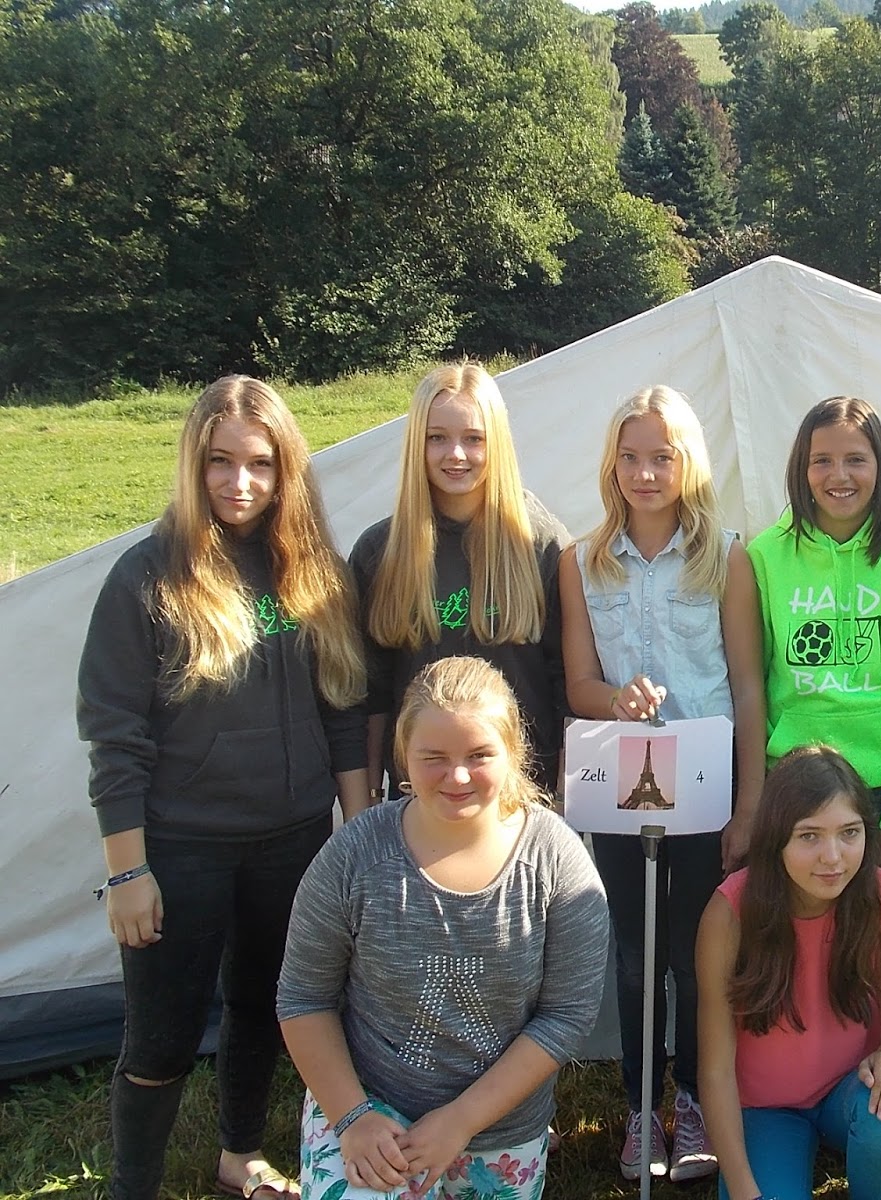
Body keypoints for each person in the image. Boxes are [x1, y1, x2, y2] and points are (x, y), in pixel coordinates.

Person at [77, 376, 369, 1200]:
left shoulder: (314, 572)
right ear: (193, 462)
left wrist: (356, 835)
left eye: (260, 464)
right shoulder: (146, 577)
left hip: (294, 839)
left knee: (265, 1007)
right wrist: (128, 871)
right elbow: (114, 735)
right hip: (182, 848)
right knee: (161, 1038)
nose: (240, 482)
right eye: (220, 461)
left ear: (285, 471)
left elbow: (344, 711)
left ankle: (240, 1154)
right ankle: (132, 1185)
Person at [278, 656, 609, 1200]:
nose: (457, 776)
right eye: (434, 757)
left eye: (479, 755)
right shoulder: (354, 855)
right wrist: (353, 1116)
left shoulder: (558, 862)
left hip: (499, 1128)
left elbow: (566, 1015)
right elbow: (303, 998)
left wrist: (461, 1120)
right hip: (370, 1113)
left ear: (513, 752)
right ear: (403, 755)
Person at [560, 385, 767, 1182]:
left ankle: (695, 1102)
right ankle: (641, 1107)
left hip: (707, 784)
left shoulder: (728, 555)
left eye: (662, 457)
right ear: (611, 464)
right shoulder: (581, 561)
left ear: (688, 464)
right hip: (622, 786)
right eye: (631, 457)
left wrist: (749, 804)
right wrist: (615, 699)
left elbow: (747, 686)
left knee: (694, 952)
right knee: (634, 954)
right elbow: (579, 683)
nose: (645, 473)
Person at [747, 396, 881, 881]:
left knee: (867, 921)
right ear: (801, 469)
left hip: (877, 793)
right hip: (789, 786)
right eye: (822, 460)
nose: (838, 475)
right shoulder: (764, 557)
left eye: (856, 460)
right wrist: (755, 794)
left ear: (880, 467)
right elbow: (750, 683)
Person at [696, 746, 881, 1200]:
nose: (833, 857)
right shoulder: (729, 914)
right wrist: (743, 1188)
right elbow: (716, 1071)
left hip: (852, 1089)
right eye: (809, 836)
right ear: (775, 839)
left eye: (849, 832)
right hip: (764, 1110)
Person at [350, 363, 568, 802]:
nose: (456, 454)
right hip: (419, 793)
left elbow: (565, 684)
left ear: (496, 443)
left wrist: (565, 794)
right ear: (417, 443)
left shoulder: (541, 542)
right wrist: (369, 794)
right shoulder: (380, 551)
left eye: (473, 438)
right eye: (437, 438)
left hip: (521, 793)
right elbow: (368, 694)